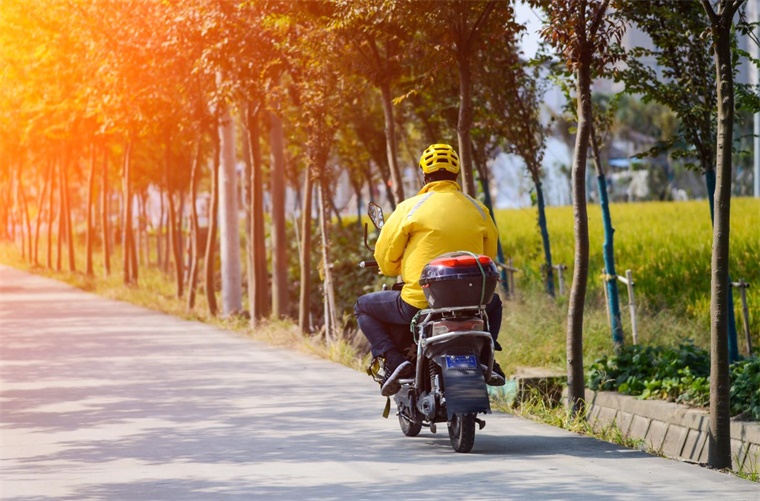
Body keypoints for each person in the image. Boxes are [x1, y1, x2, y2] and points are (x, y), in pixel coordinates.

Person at [354, 143, 506, 397]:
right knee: (495, 303)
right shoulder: (479, 209)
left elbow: (386, 258)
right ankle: (486, 357)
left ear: (424, 175)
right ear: (456, 174)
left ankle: (395, 361)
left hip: (420, 303)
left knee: (363, 306)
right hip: (473, 303)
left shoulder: (409, 208)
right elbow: (487, 257)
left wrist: (391, 267)